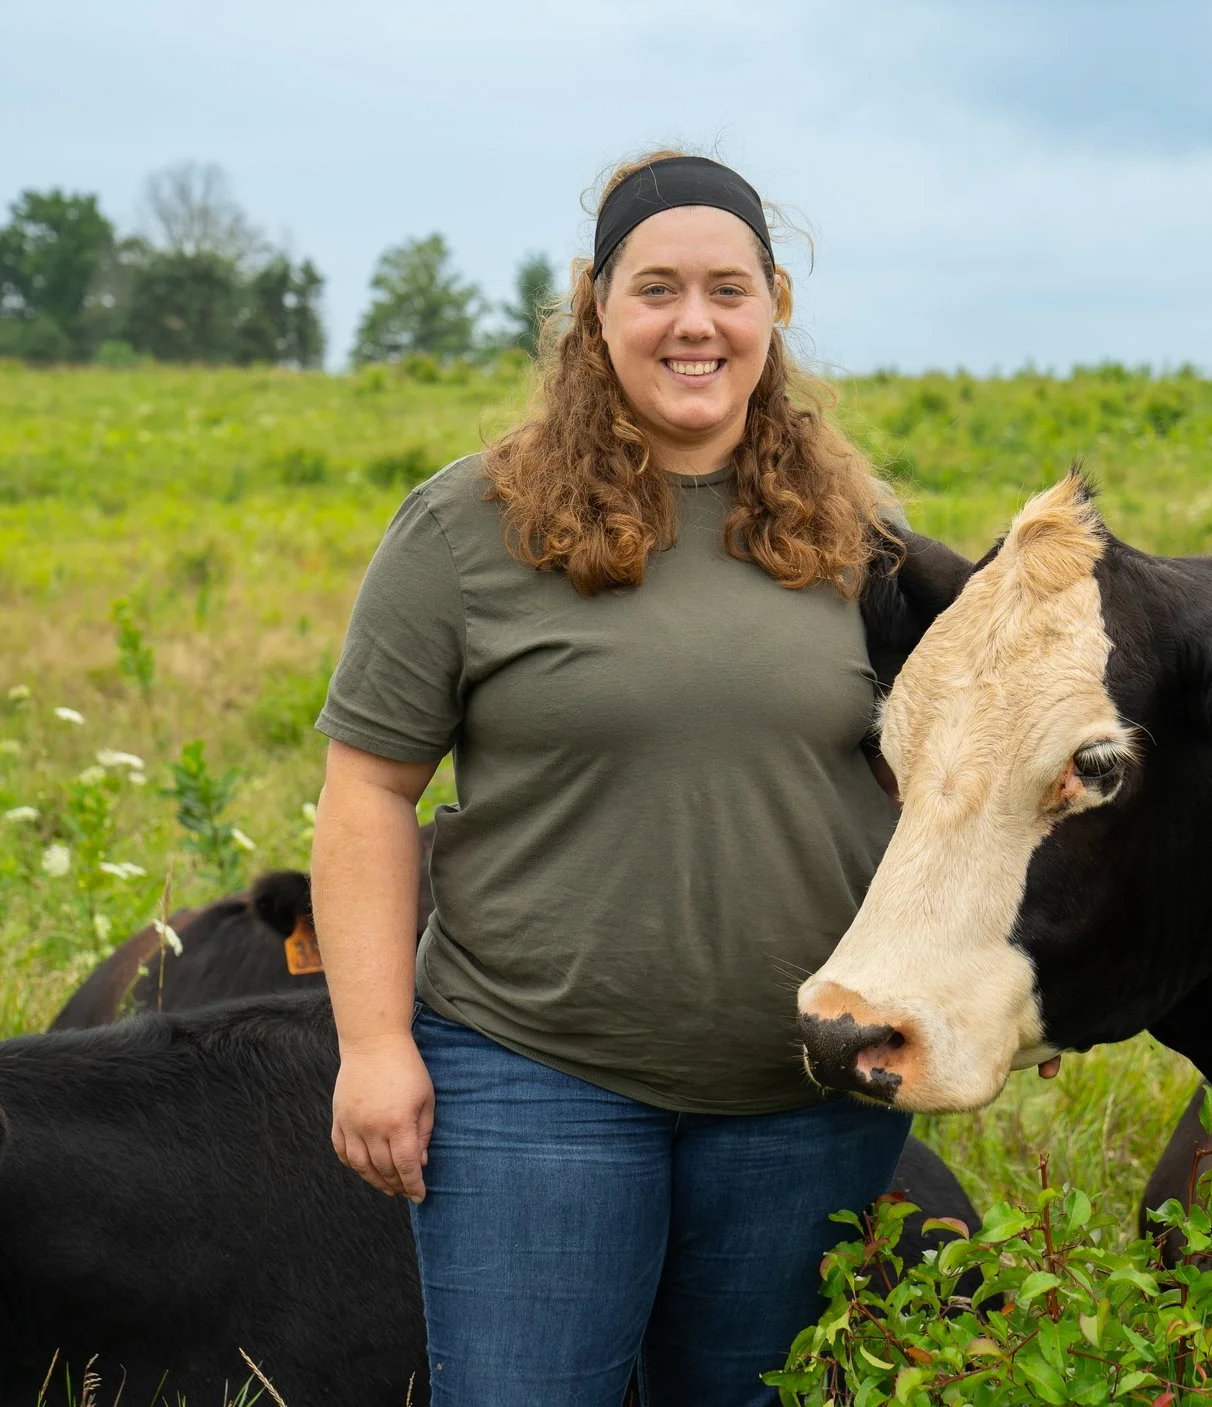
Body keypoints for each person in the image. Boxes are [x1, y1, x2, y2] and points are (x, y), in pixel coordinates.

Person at [312, 151, 912, 1406]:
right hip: (533, 1078)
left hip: (805, 1098)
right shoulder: (466, 527)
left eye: (728, 290)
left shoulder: (867, 546)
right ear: (594, 309)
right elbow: (368, 791)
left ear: (774, 308)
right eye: (657, 290)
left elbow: (963, 792)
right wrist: (372, 1045)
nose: (695, 324)